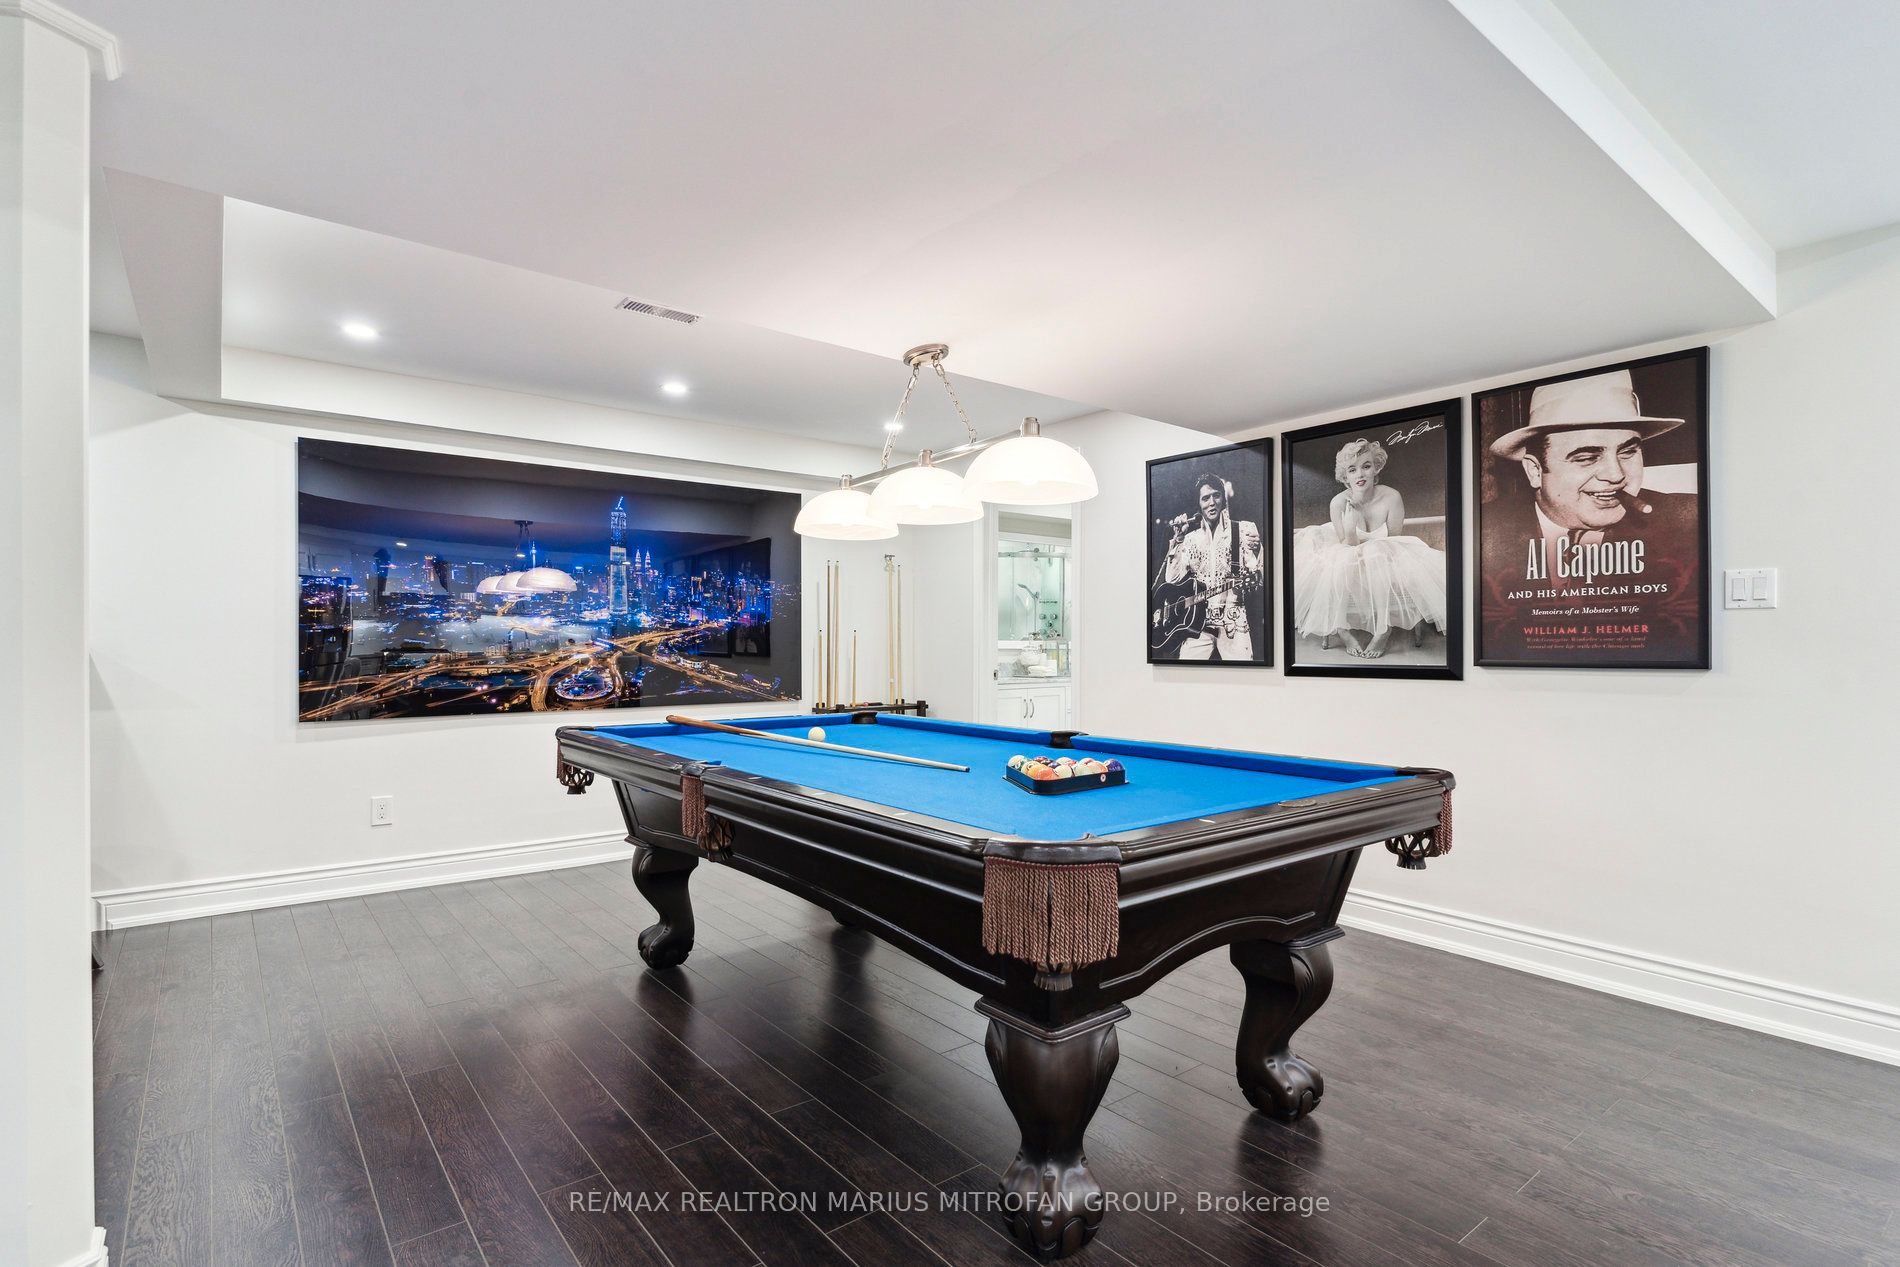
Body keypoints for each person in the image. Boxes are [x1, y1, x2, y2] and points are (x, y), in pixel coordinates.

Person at [1480, 366, 1702, 659]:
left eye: (1628, 452)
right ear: (1535, 470)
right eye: (1586, 458)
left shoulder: (1689, 522)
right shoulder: (1482, 531)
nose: (1616, 474)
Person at [1291, 439, 1447, 658]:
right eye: (1352, 470)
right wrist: (1350, 529)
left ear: (1376, 468)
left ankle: (1383, 629)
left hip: (1384, 557)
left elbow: (1394, 541)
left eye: (1366, 466)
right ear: (1345, 476)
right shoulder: (1338, 503)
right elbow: (1347, 545)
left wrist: (1370, 552)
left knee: (1376, 551)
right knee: (1341, 559)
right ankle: (1342, 630)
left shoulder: (1392, 497)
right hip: (1348, 552)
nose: (1360, 475)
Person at [1154, 471, 1263, 660]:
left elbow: (1259, 576)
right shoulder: (1190, 539)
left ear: (1223, 499)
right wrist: (1178, 540)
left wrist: (1258, 550)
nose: (1211, 502)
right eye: (1205, 498)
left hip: (1233, 621)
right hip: (1197, 622)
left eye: (1216, 495)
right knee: (1186, 671)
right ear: (1199, 504)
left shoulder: (1243, 529)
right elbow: (1172, 579)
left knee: (1242, 672)